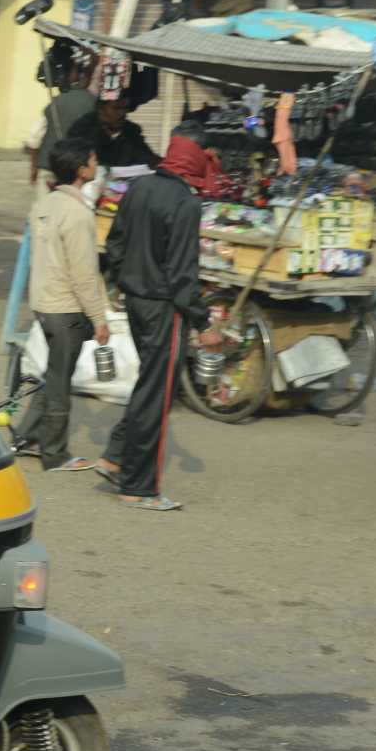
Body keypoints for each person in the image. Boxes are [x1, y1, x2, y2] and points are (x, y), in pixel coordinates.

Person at [95, 123, 228, 510]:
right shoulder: (185, 202)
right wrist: (203, 323)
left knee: (151, 385)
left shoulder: (140, 186)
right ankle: (138, 488)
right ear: (197, 155)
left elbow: (114, 243)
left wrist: (128, 278)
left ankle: (115, 458)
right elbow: (183, 274)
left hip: (135, 300)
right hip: (163, 309)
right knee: (158, 393)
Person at [18, 137, 112, 472]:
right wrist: (100, 320)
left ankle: (25, 437)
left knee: (54, 373)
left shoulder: (47, 203)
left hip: (44, 302)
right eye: (92, 157)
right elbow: (83, 274)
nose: (96, 162)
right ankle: (55, 453)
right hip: (65, 306)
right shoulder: (77, 212)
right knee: (60, 382)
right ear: (80, 169)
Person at [25, 46, 97, 186]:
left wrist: (34, 167)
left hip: (48, 167)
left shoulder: (56, 102)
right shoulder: (95, 105)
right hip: (78, 174)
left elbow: (34, 140)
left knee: (44, 207)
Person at [67, 95, 160, 170]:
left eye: (125, 109)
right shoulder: (83, 129)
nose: (122, 113)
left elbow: (146, 157)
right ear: (100, 108)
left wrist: (164, 165)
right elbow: (81, 161)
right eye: (116, 108)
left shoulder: (131, 131)